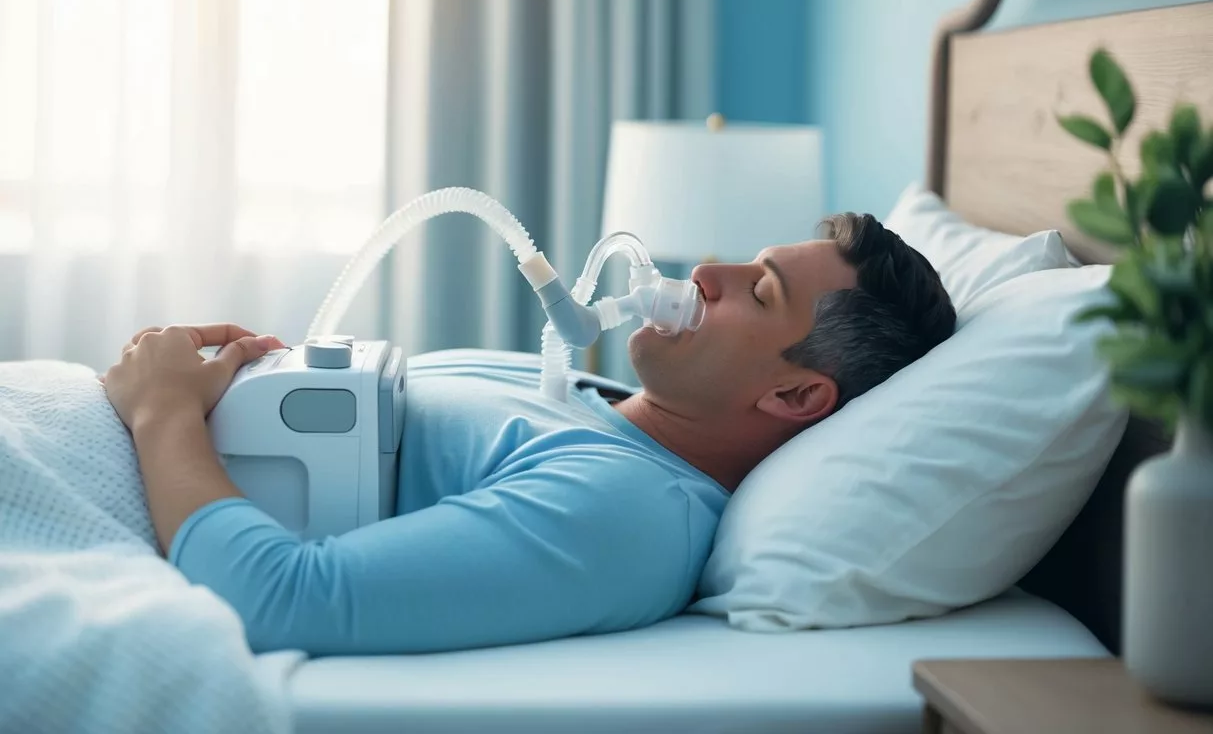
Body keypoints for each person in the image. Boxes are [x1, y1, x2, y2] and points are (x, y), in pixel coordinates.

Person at [102, 212, 956, 655]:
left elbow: (283, 599)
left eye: (757, 292)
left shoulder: (627, 513)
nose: (705, 273)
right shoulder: (580, 393)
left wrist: (164, 411)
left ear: (797, 395)